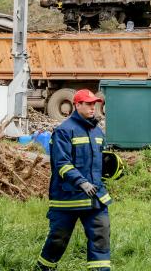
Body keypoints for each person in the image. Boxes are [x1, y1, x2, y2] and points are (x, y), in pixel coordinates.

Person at [37, 89, 112, 271]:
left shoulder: (97, 132)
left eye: (94, 104)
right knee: (58, 239)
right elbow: (62, 164)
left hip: (95, 197)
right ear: (77, 105)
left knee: (101, 235)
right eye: (88, 104)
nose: (93, 107)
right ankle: (43, 268)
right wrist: (81, 182)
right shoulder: (63, 131)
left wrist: (113, 169)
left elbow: (102, 162)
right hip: (67, 198)